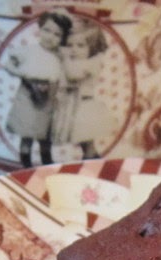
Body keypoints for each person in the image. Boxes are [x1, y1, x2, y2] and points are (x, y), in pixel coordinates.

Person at [3, 11, 72, 167]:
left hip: (49, 97)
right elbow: (9, 64)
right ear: (39, 30)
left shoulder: (59, 56)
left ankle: (47, 161)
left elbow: (63, 76)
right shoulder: (29, 51)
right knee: (27, 133)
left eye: (57, 34)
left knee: (45, 135)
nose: (50, 37)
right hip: (28, 95)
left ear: (62, 38)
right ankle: (25, 163)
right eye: (47, 30)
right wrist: (25, 75)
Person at [52, 22, 116, 160]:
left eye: (80, 45)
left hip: (84, 107)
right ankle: (91, 160)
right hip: (73, 106)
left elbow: (72, 75)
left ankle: (91, 163)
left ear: (92, 47)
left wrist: (65, 58)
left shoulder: (91, 64)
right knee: (84, 141)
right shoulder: (77, 63)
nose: (73, 50)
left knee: (87, 141)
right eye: (70, 45)